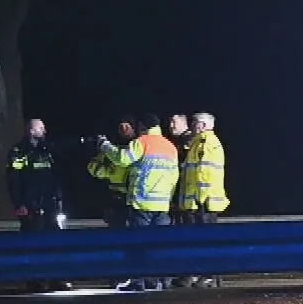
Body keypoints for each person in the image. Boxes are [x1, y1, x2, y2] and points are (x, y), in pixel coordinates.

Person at [94, 113, 179, 290]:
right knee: (158, 245)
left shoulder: (143, 142)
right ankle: (157, 280)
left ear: (142, 127)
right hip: (162, 204)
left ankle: (138, 281)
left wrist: (105, 145)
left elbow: (122, 159)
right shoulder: (170, 146)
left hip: (142, 202)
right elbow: (174, 177)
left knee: (138, 245)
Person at [174, 111, 230, 287]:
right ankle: (199, 275)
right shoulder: (199, 142)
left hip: (202, 203)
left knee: (205, 242)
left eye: (195, 123)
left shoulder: (206, 142)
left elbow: (203, 173)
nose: (192, 126)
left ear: (204, 125)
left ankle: (209, 276)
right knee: (198, 241)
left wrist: (199, 201)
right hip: (199, 202)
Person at [8, 119, 64, 234]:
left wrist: (59, 197)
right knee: (30, 234)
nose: (45, 131)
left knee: (54, 234)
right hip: (30, 205)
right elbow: (13, 178)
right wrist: (18, 204)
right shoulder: (20, 152)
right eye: (41, 129)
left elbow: (55, 176)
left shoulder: (47, 151)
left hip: (49, 203)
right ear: (32, 131)